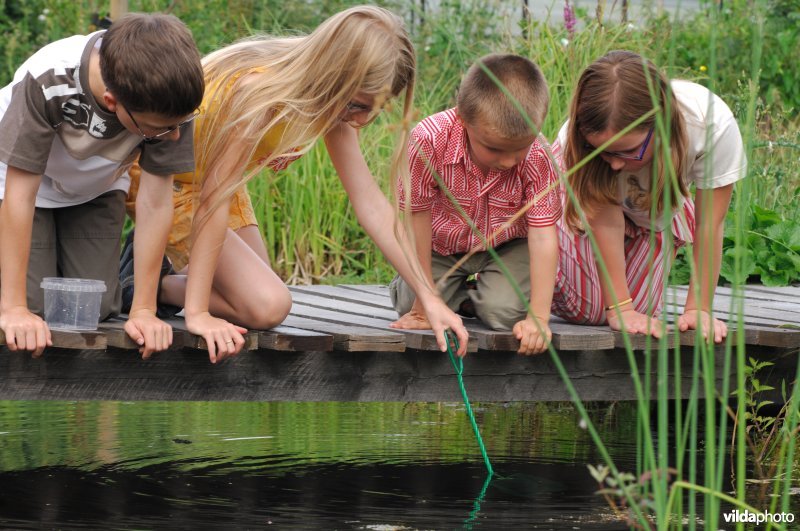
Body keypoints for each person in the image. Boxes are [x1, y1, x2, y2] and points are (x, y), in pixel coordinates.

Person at [123, 5, 469, 363]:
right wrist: (197, 314)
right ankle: (145, 284)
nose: (362, 120)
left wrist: (429, 297)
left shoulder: (335, 105)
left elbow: (371, 204)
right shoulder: (259, 93)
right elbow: (212, 200)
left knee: (252, 296)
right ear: (333, 76)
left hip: (217, 184)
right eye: (357, 105)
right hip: (168, 183)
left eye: (374, 110)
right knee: (268, 305)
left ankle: (158, 277)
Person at [0, 13, 204, 359]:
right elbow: (20, 194)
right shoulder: (50, 78)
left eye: (178, 125)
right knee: (34, 307)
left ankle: (123, 272)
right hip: (19, 183)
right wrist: (14, 309)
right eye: (160, 129)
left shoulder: (171, 102)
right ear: (112, 102)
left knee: (96, 309)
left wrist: (143, 311)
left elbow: (155, 203)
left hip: (96, 187)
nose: (173, 136)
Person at [550, 50, 746, 343]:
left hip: (653, 209)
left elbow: (709, 224)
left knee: (641, 311)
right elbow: (606, 220)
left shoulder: (712, 125)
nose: (615, 164)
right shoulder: (579, 143)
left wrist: (698, 308)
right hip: (593, 209)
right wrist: (620, 308)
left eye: (628, 151)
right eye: (602, 152)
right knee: (592, 310)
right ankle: (525, 270)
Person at [388, 54, 561, 355]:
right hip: (442, 246)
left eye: (519, 149)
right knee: (409, 304)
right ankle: (463, 293)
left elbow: (543, 234)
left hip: (507, 246)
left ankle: (475, 295)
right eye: (493, 148)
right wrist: (421, 304)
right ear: (463, 119)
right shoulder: (428, 141)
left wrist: (539, 318)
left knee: (503, 314)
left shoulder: (538, 155)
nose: (508, 161)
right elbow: (415, 219)